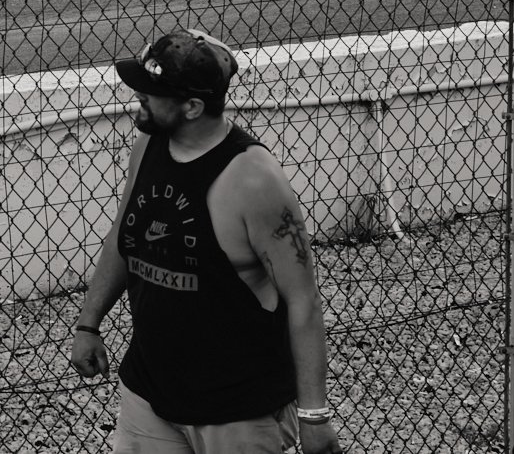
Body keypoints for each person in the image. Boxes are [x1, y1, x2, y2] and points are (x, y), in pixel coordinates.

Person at [69, 30, 339, 453]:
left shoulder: (254, 180)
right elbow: (123, 237)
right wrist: (89, 324)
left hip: (237, 412)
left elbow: (303, 300)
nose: (138, 95)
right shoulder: (149, 144)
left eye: (152, 91)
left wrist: (314, 416)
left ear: (193, 106)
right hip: (150, 395)